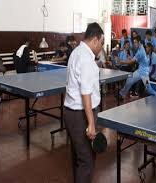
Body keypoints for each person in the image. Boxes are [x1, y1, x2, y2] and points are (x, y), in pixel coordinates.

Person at [63, 22, 104, 183]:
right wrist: (92, 123)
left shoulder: (76, 52)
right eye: (101, 43)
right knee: (87, 160)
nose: (101, 47)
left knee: (78, 158)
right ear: (95, 40)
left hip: (71, 113)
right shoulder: (86, 58)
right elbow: (86, 93)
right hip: (80, 115)